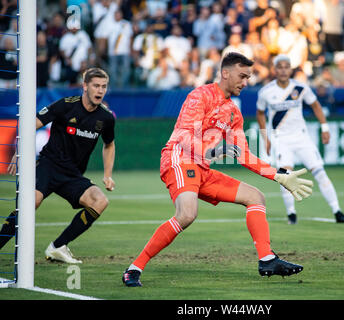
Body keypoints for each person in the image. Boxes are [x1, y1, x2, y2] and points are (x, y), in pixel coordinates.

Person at [122, 52, 314, 287]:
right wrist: (210, 152)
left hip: (202, 168)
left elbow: (243, 154)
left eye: (248, 77)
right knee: (186, 214)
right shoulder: (200, 95)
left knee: (256, 197)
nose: (246, 82)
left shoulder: (234, 112)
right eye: (242, 76)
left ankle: (266, 259)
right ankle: (134, 269)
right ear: (225, 73)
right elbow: (183, 136)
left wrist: (278, 175)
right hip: (179, 159)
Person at [0, 68, 116, 263]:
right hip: (48, 165)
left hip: (72, 175)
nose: (100, 90)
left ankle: (58, 246)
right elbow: (29, 124)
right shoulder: (65, 105)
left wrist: (108, 174)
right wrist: (18, 152)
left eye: (104, 87)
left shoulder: (106, 118)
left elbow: (109, 144)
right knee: (31, 203)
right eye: (96, 85)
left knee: (100, 201)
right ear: (85, 86)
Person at [256, 55, 344, 225]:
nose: (284, 70)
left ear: (291, 69)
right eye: (280, 67)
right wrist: (266, 137)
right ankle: (291, 214)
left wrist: (325, 127)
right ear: (275, 70)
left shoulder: (300, 88)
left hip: (301, 137)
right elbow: (260, 113)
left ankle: (337, 211)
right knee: (285, 176)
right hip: (281, 139)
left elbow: (316, 105)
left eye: (287, 66)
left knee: (320, 172)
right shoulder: (266, 92)